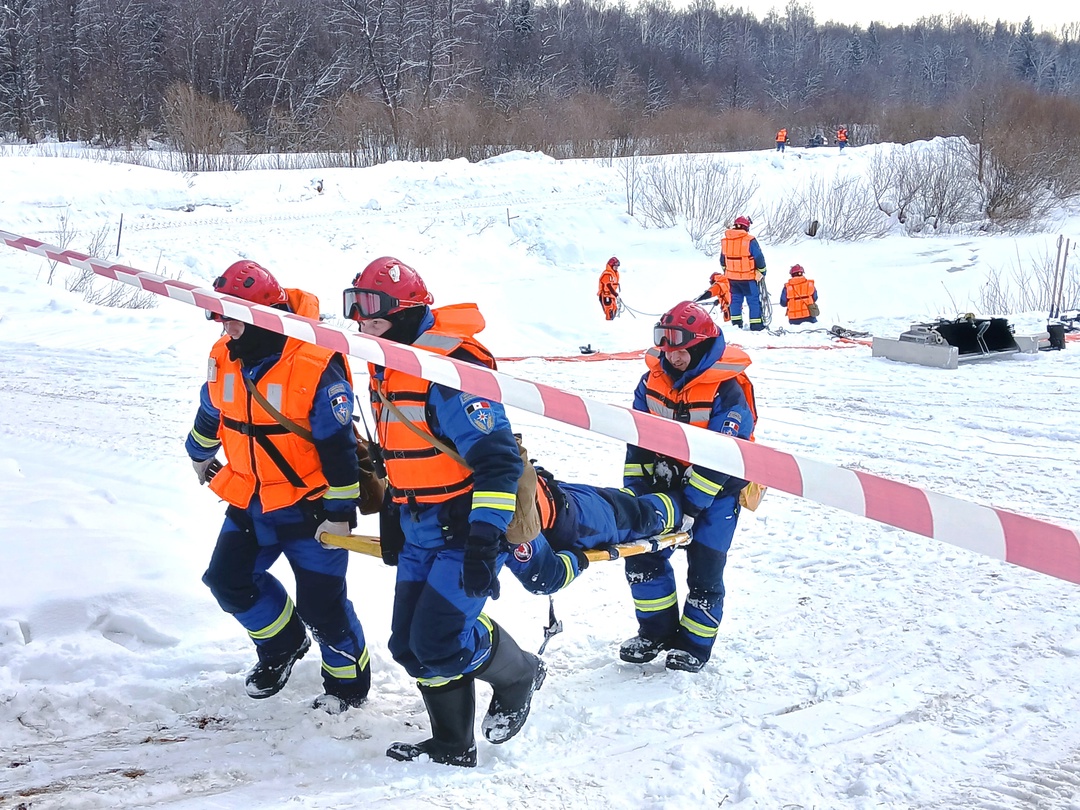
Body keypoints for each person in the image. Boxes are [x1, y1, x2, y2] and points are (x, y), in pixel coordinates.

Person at [344, 256, 545, 768]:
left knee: (437, 639)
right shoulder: (388, 362)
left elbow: (497, 464)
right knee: (409, 647)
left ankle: (519, 671)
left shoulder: (449, 368)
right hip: (418, 526)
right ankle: (453, 743)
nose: (360, 322)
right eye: (354, 308)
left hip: (465, 526)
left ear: (407, 312)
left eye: (371, 311)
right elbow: (401, 455)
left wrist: (484, 539)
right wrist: (391, 510)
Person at [186, 260, 371, 715]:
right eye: (219, 317)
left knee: (323, 607)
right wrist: (199, 451)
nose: (223, 327)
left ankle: (348, 686)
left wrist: (340, 507)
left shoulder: (314, 361)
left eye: (230, 317)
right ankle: (283, 645)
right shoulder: (224, 353)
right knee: (227, 581)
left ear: (259, 316)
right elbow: (213, 408)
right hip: (250, 499)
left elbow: (337, 443)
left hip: (310, 507)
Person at [619, 301, 757, 673]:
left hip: (717, 494)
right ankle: (656, 632)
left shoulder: (727, 391)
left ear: (698, 346)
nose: (671, 358)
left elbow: (721, 458)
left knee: (705, 571)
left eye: (679, 350)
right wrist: (636, 492)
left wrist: (693, 507)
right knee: (642, 555)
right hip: (666, 485)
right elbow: (638, 441)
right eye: (666, 350)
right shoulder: (650, 382)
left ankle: (694, 646)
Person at [503, 470, 683, 595]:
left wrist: (576, 560)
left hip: (570, 513)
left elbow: (544, 577)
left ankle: (687, 504)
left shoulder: (502, 515)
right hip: (561, 505)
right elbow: (545, 576)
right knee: (633, 511)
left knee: (643, 517)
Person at [719, 216, 767, 331]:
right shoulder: (750, 240)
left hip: (732, 279)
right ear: (747, 227)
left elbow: (722, 260)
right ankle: (756, 325)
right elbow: (759, 257)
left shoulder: (726, 241)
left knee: (735, 300)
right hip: (748, 278)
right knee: (753, 301)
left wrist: (728, 271)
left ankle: (736, 324)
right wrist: (762, 271)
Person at [598, 256, 621, 321]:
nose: (617, 267)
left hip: (611, 295)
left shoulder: (615, 273)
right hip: (605, 295)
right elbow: (608, 285)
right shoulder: (607, 274)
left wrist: (614, 294)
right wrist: (615, 293)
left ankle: (611, 324)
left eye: (617, 266)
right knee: (609, 311)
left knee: (614, 309)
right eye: (615, 266)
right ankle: (607, 326)